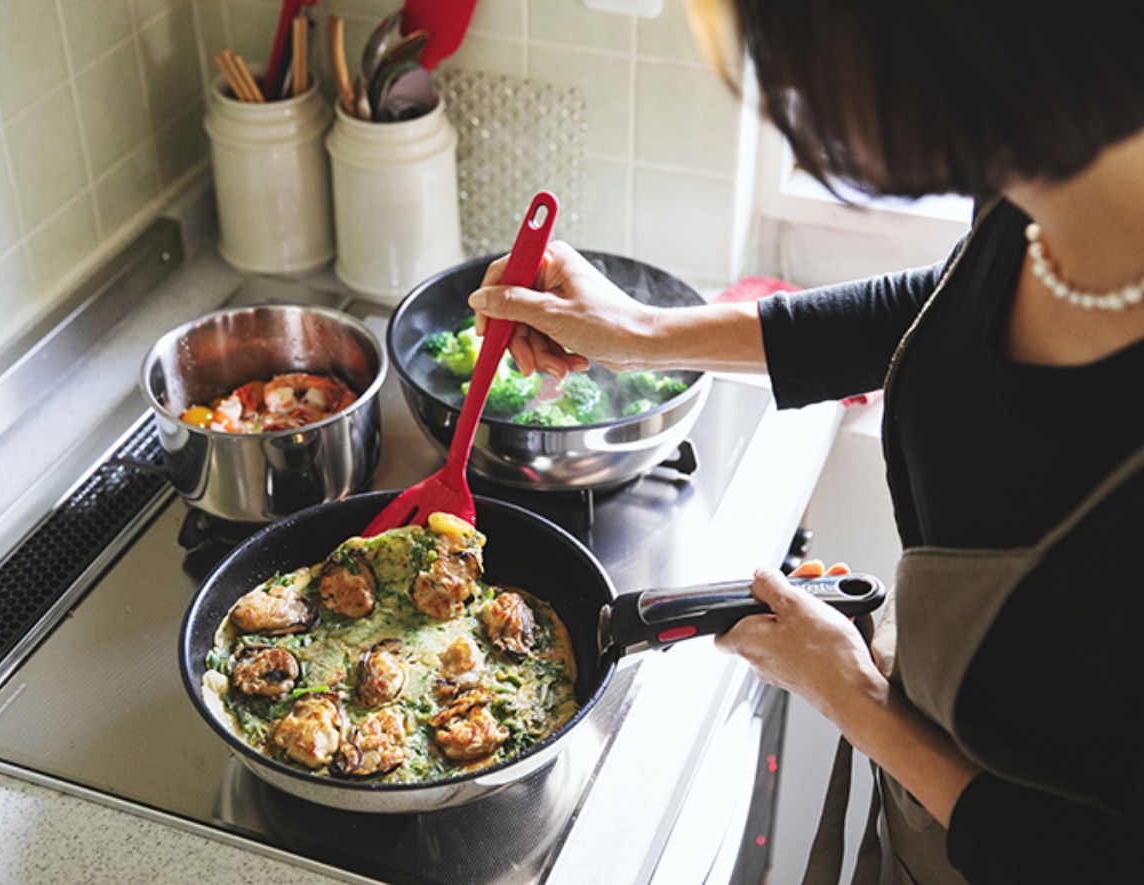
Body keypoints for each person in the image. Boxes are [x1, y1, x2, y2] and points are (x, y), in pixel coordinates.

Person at [467, 1, 1144, 882]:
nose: (797, 100)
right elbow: (948, 305)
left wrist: (852, 697)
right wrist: (640, 332)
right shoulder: (1055, 169)